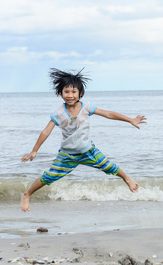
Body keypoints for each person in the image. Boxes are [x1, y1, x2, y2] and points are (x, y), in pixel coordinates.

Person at [21, 68, 147, 212]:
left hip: (88, 150)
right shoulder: (58, 113)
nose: (70, 95)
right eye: (66, 92)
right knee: (49, 177)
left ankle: (127, 178)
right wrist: (34, 151)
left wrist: (130, 119)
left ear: (80, 93)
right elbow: (46, 131)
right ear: (60, 93)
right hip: (67, 155)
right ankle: (27, 194)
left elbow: (109, 114)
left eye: (73, 92)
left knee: (109, 166)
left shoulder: (86, 107)